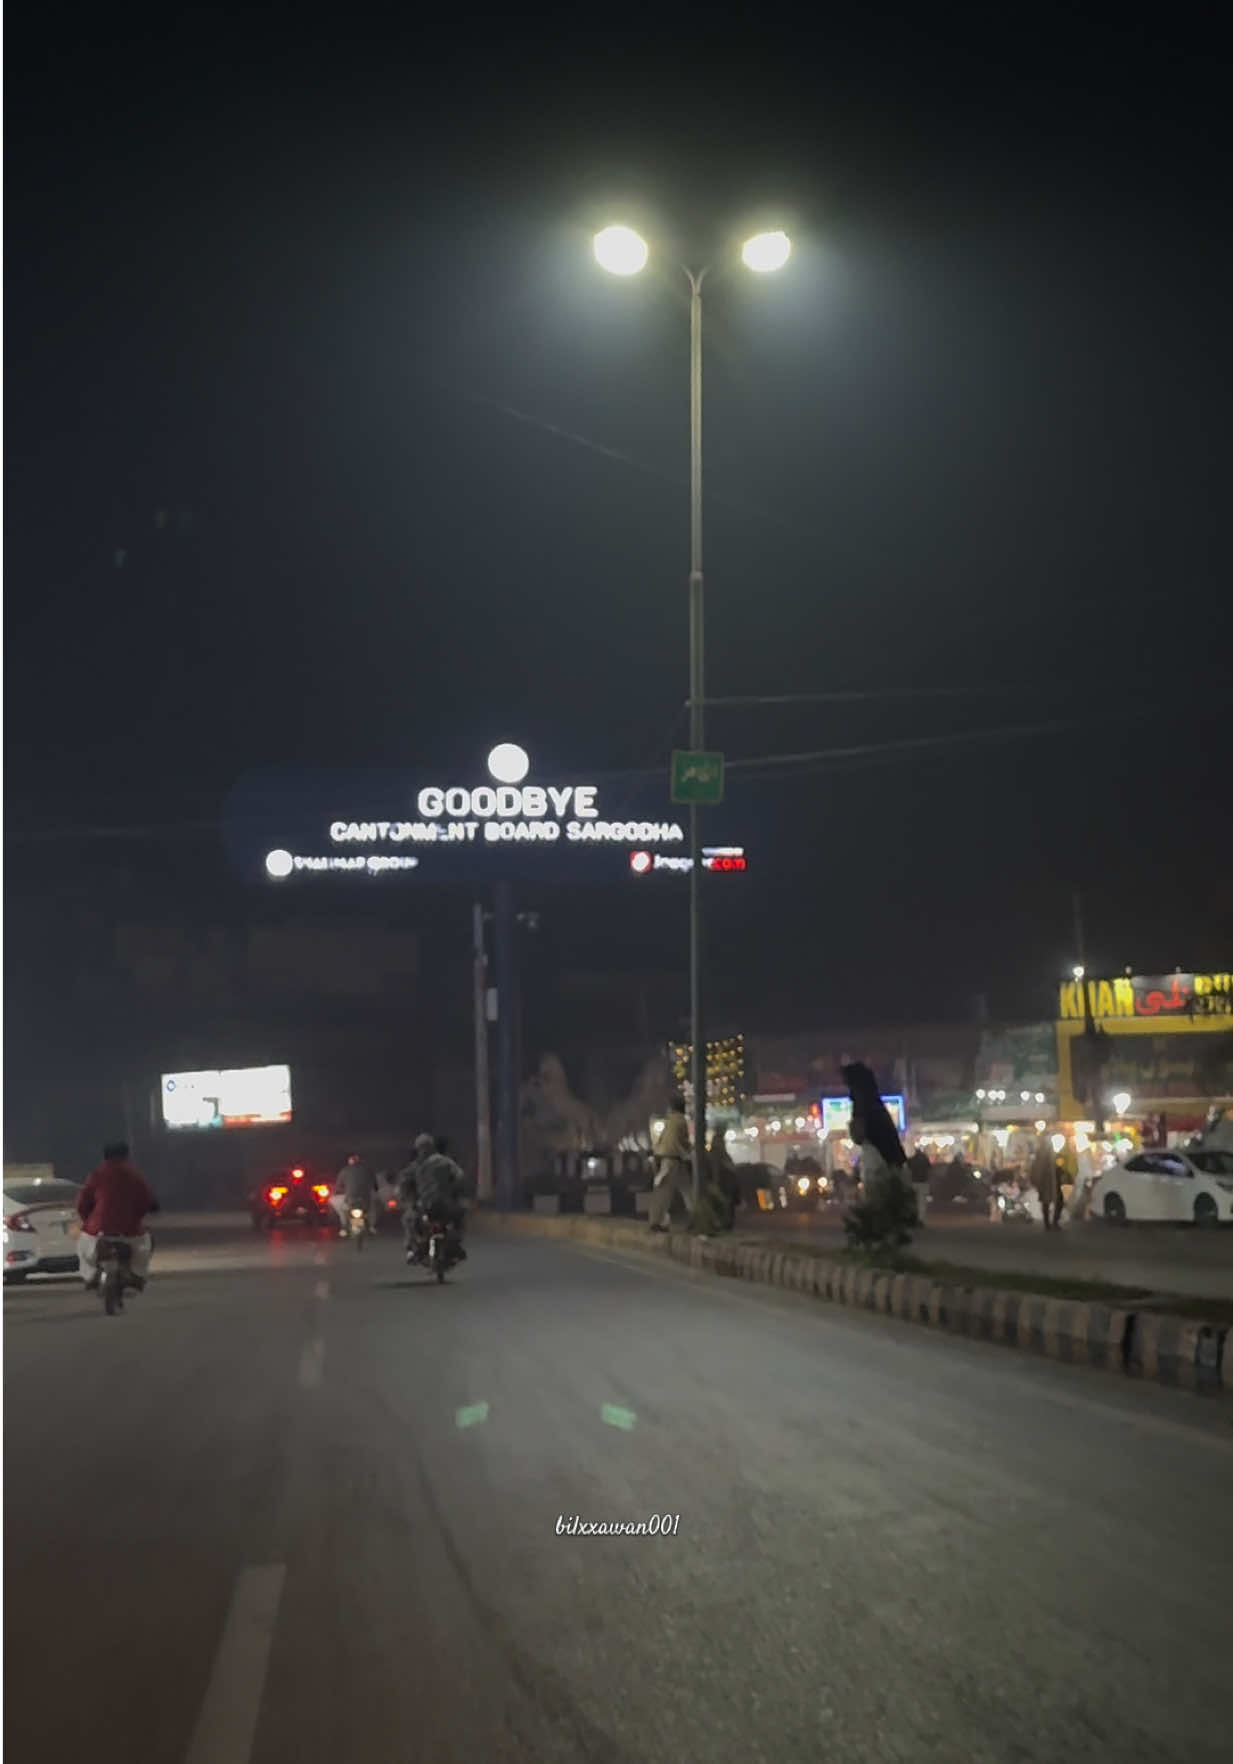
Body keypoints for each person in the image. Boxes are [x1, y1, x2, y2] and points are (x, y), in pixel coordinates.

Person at [77, 1142, 159, 1292]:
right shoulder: (135, 1176)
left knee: (82, 1247)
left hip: (98, 1231)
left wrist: (89, 1221)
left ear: (104, 1157)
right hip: (130, 1232)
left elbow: (82, 1204)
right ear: (126, 1156)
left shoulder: (96, 1175)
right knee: (145, 1246)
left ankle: (90, 1277)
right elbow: (147, 1201)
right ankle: (137, 1275)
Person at [409, 1136, 467, 1263]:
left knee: (411, 1219)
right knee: (459, 1215)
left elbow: (404, 1183)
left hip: (427, 1205)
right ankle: (455, 1245)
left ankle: (414, 1249)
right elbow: (460, 1177)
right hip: (444, 1204)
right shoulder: (444, 1161)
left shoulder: (416, 1165)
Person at [649, 1095, 693, 1232]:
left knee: (665, 1192)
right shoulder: (681, 1121)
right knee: (687, 1192)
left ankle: (657, 1221)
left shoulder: (670, 1120)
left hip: (668, 1160)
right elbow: (684, 1142)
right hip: (674, 1160)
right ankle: (696, 1218)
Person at [398, 1134, 435, 1255]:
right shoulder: (414, 1167)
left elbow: (455, 1180)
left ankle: (411, 1248)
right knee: (409, 1219)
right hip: (422, 1203)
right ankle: (411, 1248)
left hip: (438, 1202)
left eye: (426, 1147)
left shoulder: (442, 1164)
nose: (425, 1150)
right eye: (423, 1147)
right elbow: (404, 1184)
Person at [335, 1153, 377, 1237]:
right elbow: (374, 1183)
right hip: (365, 1196)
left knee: (344, 1210)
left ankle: (344, 1228)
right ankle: (370, 1227)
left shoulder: (344, 1170)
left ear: (350, 1161)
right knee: (370, 1210)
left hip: (351, 1197)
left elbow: (338, 1185)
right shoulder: (367, 1169)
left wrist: (341, 1190)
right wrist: (375, 1189)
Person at [1029, 1136, 1063, 1230]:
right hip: (1047, 1180)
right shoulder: (1044, 1150)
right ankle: (1049, 1223)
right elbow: (1039, 1166)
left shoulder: (1047, 1149)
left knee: (1052, 1201)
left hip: (1053, 1179)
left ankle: (1051, 1223)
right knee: (1047, 1201)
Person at [907, 1146, 932, 1223]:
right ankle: (920, 1219)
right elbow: (929, 1168)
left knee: (914, 1201)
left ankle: (914, 1218)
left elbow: (908, 1167)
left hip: (914, 1182)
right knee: (922, 1202)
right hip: (923, 1182)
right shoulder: (925, 1159)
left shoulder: (912, 1159)